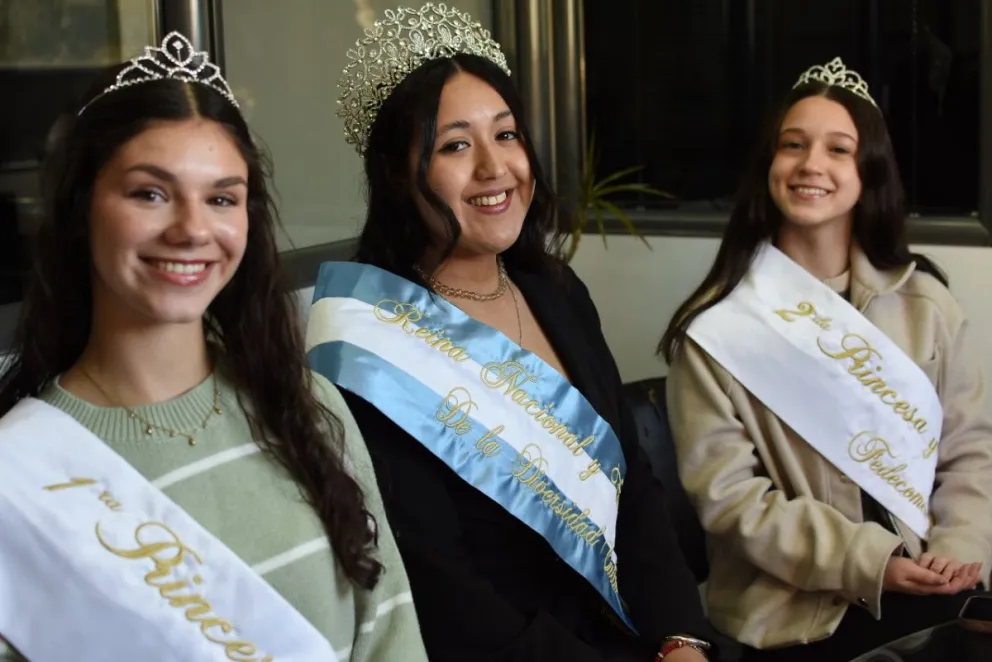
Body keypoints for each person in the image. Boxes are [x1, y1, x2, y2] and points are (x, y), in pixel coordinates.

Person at [307, 4, 717, 661]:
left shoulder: (557, 293)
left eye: (506, 135)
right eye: (454, 145)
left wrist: (681, 636)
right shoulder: (370, 346)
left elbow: (632, 485)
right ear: (394, 172)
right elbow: (444, 591)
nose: (494, 168)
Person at [0, 32, 427, 662]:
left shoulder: (308, 407)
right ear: (80, 207)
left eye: (222, 198)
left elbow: (390, 635)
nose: (193, 229)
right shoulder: (19, 472)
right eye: (150, 192)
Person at [660, 56, 992, 661]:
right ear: (770, 166)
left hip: (936, 583)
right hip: (793, 616)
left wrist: (960, 542)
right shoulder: (717, 327)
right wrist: (875, 564)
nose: (812, 164)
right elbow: (731, 500)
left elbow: (969, 451)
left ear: (868, 172)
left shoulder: (927, 304)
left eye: (838, 149)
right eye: (793, 145)